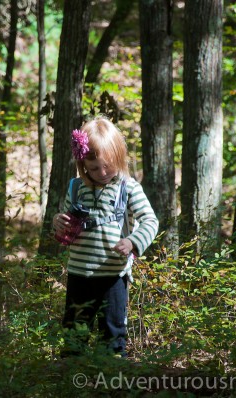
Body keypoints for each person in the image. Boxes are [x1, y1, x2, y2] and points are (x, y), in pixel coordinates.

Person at [52, 116, 159, 357]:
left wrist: (133, 241)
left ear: (119, 158)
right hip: (79, 274)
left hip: (113, 276)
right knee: (74, 332)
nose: (101, 173)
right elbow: (68, 223)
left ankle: (111, 379)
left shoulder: (128, 187)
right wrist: (59, 223)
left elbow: (150, 220)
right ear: (83, 164)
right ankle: (72, 378)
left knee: (112, 331)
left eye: (108, 166)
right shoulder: (76, 188)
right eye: (94, 168)